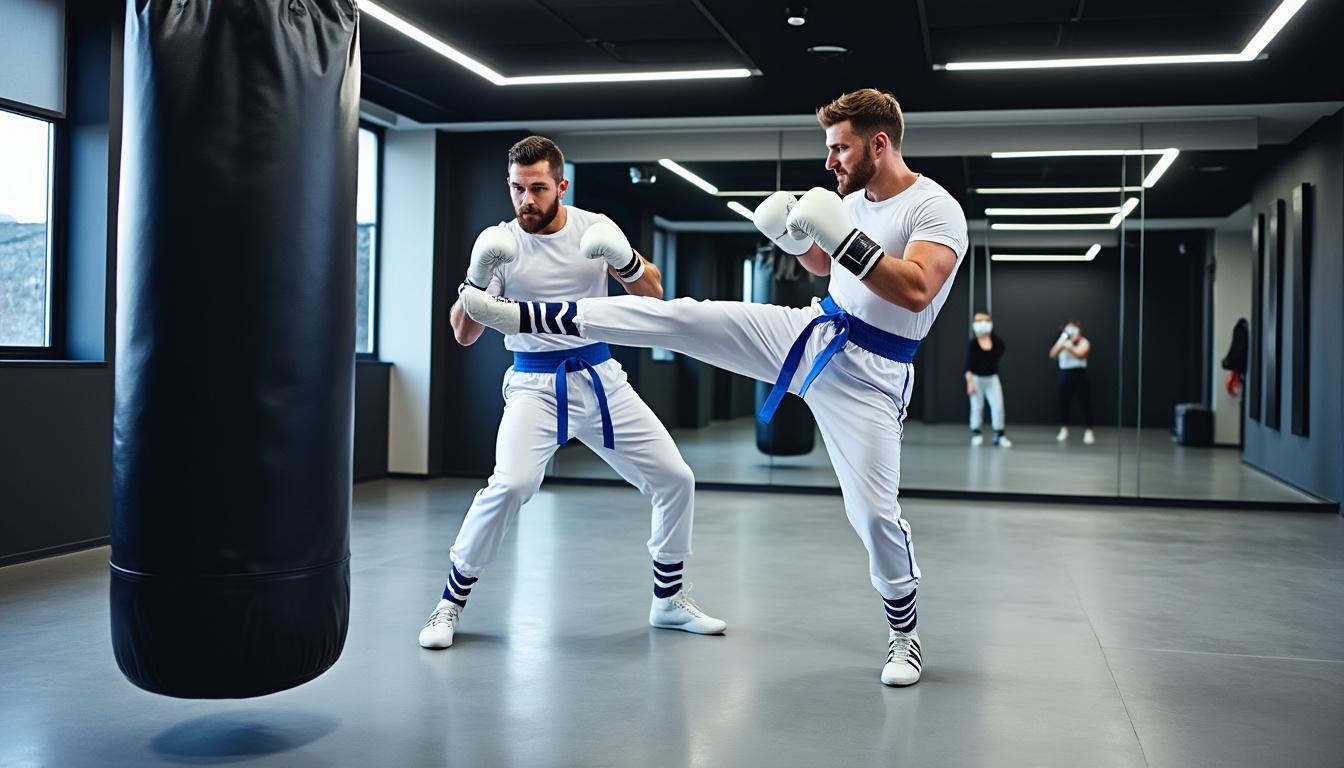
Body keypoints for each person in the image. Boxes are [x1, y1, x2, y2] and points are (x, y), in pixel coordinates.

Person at [460, 89, 966, 687]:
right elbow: (826, 269)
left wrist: (840, 238)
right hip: (813, 329)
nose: (830, 162)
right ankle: (529, 318)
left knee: (874, 514)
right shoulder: (850, 200)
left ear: (879, 144)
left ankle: (904, 638)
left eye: (840, 148)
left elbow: (913, 290)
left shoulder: (935, 207)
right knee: (685, 318)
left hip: (871, 375)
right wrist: (800, 242)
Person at [418, 136, 726, 651]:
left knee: (676, 479)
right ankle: (449, 603)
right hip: (533, 385)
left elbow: (653, 292)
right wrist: (474, 281)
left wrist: (624, 259)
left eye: (538, 188)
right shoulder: (499, 243)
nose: (526, 201)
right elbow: (463, 333)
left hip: (600, 376)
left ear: (561, 185)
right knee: (510, 485)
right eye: (517, 189)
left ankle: (668, 600)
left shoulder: (594, 229)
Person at [964, 311, 1011, 447]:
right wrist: (970, 383)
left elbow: (1001, 349)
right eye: (978, 321)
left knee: (998, 407)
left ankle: (999, 435)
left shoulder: (996, 343)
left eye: (985, 320)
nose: (982, 323)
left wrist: (989, 334)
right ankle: (976, 433)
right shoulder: (973, 344)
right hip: (976, 379)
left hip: (992, 378)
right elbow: (968, 366)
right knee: (977, 407)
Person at [1050, 320, 1095, 444]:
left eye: (1074, 330)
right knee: (1063, 402)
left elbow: (1081, 354)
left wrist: (1070, 348)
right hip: (1065, 374)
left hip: (1080, 374)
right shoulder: (1062, 340)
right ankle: (1064, 428)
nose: (1071, 332)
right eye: (1068, 330)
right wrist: (1062, 343)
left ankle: (1089, 430)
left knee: (1085, 403)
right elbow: (1052, 354)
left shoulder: (1084, 342)